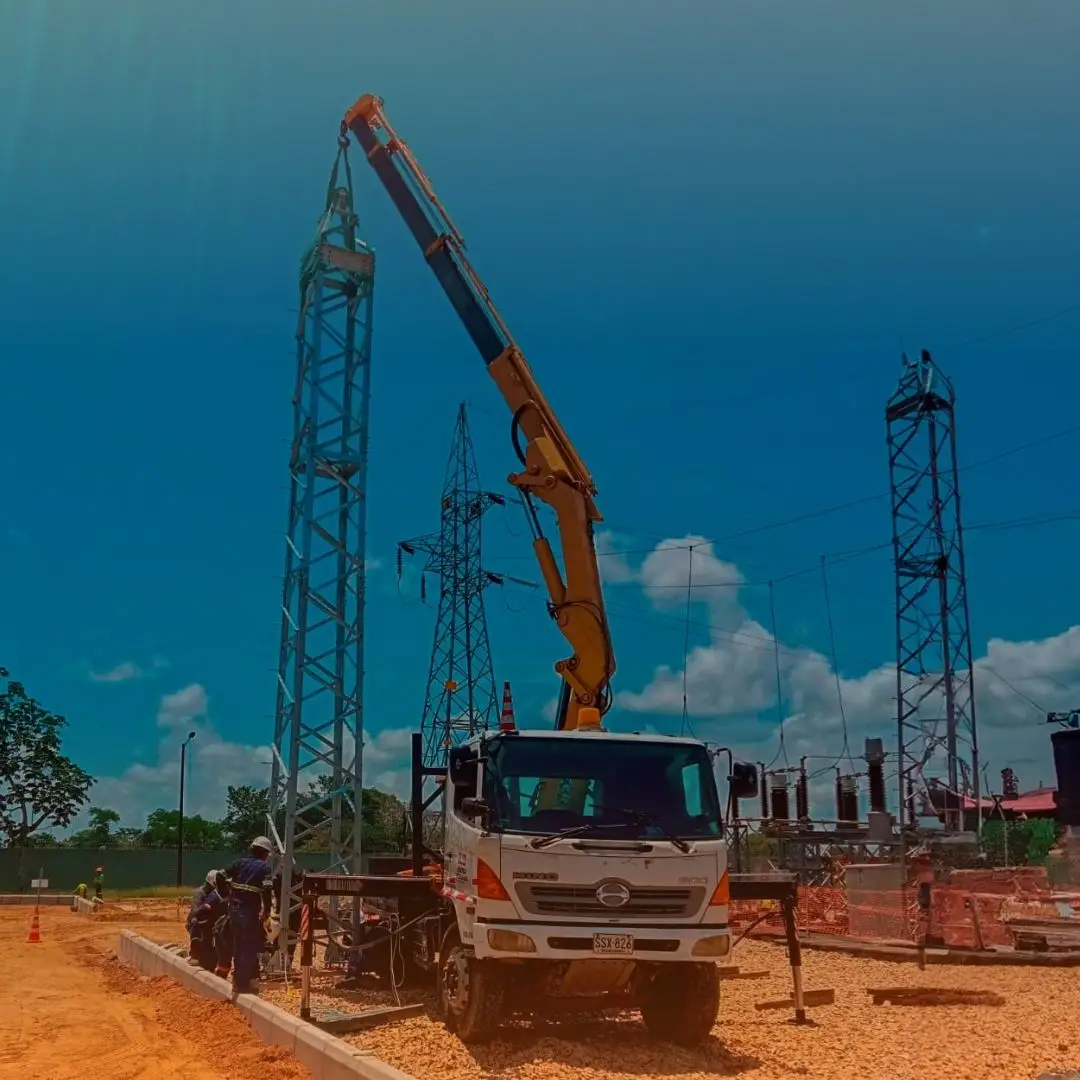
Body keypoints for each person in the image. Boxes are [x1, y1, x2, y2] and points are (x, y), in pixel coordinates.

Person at [224, 836, 274, 994]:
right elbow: (267, 889)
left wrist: (226, 893)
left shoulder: (239, 863)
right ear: (265, 853)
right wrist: (267, 909)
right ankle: (242, 983)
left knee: (238, 945)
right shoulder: (264, 868)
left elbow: (220, 875)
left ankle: (238, 980)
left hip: (233, 910)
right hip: (248, 911)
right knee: (249, 947)